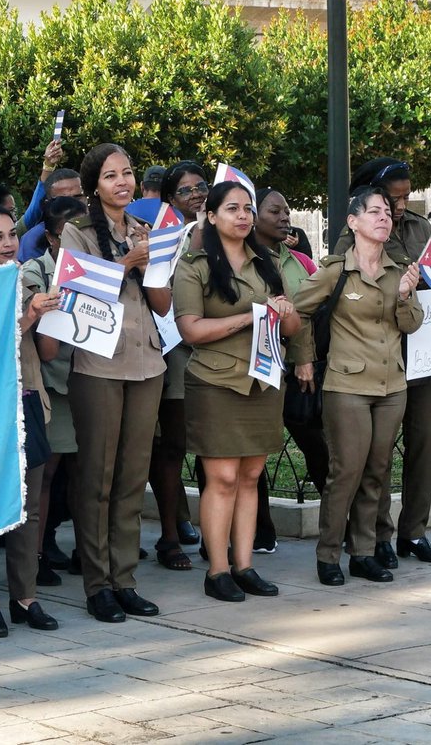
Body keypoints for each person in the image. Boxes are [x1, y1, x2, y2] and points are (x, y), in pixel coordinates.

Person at [172, 181, 300, 602]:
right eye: (232, 208)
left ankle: (244, 566)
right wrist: (251, 317)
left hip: (263, 379)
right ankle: (217, 570)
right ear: (211, 216)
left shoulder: (266, 262)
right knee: (223, 477)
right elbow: (190, 330)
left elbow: (292, 326)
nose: (243, 216)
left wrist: (285, 312)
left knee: (250, 476)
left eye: (247, 208)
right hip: (216, 381)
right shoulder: (194, 265)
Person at [62, 144, 170, 623]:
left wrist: (149, 265)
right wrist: (127, 262)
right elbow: (77, 291)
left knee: (132, 477)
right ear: (94, 186)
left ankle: (125, 579)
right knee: (97, 478)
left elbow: (163, 304)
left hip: (147, 360)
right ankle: (97, 584)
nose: (122, 182)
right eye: (111, 176)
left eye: (127, 173)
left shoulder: (144, 230)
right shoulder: (77, 231)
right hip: (99, 364)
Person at [295, 187, 423, 586]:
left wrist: (405, 295)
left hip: (391, 386)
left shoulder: (399, 271)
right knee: (346, 472)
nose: (384, 217)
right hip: (347, 385)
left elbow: (411, 324)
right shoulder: (336, 270)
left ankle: (364, 554)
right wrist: (303, 359)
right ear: (353, 222)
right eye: (374, 212)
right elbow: (298, 311)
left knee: (376, 472)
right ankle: (329, 554)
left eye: (386, 212)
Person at [333, 158, 431, 566]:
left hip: (423, 349)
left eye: (404, 197)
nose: (399, 206)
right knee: (376, 452)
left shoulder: (419, 227)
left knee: (422, 443)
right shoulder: (354, 230)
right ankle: (377, 533)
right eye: (392, 198)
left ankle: (414, 532)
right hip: (378, 353)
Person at [0, 204, 60, 633]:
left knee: (29, 508)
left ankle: (26, 597)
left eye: (12, 235)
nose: (8, 244)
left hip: (28, 398)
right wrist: (31, 315)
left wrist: (53, 311)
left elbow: (47, 350)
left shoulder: (26, 280)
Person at [21, 195, 87, 583]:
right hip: (55, 384)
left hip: (94, 380)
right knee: (46, 474)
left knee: (86, 474)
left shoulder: (101, 268)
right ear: (50, 237)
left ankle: (87, 550)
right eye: (68, 236)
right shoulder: (36, 272)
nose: (77, 245)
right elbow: (46, 350)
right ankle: (38, 552)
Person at [253, 187, 323, 549]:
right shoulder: (242, 258)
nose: (284, 218)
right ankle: (260, 531)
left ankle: (340, 524)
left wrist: (304, 358)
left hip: (297, 369)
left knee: (316, 444)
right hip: (255, 369)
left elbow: (306, 314)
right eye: (274, 211)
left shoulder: (301, 262)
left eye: (286, 211)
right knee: (253, 455)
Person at [150, 160, 211, 560]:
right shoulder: (164, 237)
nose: (196, 195)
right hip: (175, 349)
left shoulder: (225, 231)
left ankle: (216, 537)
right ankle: (170, 535)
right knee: (172, 446)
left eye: (200, 186)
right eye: (185, 191)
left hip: (217, 349)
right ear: (171, 199)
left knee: (213, 450)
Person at [18, 169, 84, 262]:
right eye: (64, 200)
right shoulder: (32, 241)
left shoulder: (101, 223)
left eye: (78, 197)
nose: (73, 204)